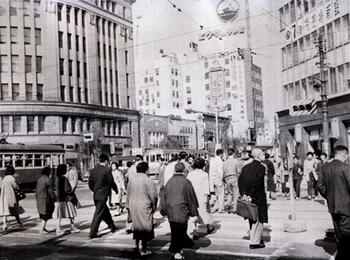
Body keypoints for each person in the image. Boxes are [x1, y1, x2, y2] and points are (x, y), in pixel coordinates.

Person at [160, 162, 199, 260]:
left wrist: (163, 210)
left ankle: (176, 250)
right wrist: (193, 210)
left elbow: (163, 197)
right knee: (180, 230)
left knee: (174, 230)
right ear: (184, 171)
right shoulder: (186, 182)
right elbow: (190, 197)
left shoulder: (169, 181)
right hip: (182, 210)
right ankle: (176, 251)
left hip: (171, 211)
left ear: (174, 170)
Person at [317, 145, 350, 259]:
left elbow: (320, 186)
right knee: (346, 233)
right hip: (346, 206)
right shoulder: (346, 168)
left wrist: (329, 196)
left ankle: (341, 251)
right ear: (344, 154)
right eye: (347, 155)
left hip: (333, 205)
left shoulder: (325, 168)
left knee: (338, 233)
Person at [238, 148, 268, 249]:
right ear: (258, 155)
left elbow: (240, 181)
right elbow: (257, 183)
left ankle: (255, 238)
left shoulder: (246, 167)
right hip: (257, 197)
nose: (264, 156)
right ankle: (255, 242)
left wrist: (244, 194)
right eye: (262, 154)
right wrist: (252, 196)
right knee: (259, 218)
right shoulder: (261, 167)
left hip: (247, 196)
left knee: (251, 218)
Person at [126, 162, 158, 257]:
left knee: (137, 227)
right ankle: (144, 248)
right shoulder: (148, 180)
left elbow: (128, 193)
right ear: (146, 170)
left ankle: (136, 246)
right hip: (144, 206)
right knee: (145, 227)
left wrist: (128, 205)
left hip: (133, 205)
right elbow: (153, 195)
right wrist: (154, 206)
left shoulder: (132, 179)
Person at [88, 154, 118, 239]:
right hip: (103, 195)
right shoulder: (106, 170)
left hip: (96, 194)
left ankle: (111, 225)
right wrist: (115, 189)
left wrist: (94, 190)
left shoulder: (93, 171)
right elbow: (111, 182)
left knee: (104, 211)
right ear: (105, 161)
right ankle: (93, 232)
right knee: (99, 213)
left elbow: (90, 183)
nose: (108, 163)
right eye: (107, 161)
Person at [187, 158, 215, 240]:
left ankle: (194, 231)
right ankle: (208, 227)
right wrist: (207, 196)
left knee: (193, 214)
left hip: (192, 196)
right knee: (205, 212)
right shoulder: (204, 174)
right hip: (201, 196)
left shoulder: (190, 174)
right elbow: (206, 187)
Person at [55, 164, 80, 235]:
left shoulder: (57, 178)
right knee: (71, 213)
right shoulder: (65, 179)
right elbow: (67, 189)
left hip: (60, 199)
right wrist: (71, 191)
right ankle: (72, 227)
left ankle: (58, 228)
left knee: (59, 215)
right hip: (67, 198)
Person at [0, 165, 24, 230]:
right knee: (15, 210)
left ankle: (4, 224)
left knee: (5, 212)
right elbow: (16, 187)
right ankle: (19, 222)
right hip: (11, 196)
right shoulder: (12, 178)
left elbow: (2, 187)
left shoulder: (4, 178)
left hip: (4, 196)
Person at [36, 166, 57, 234]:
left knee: (43, 215)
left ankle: (43, 228)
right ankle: (41, 229)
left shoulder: (40, 179)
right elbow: (50, 191)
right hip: (46, 200)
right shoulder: (48, 180)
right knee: (46, 215)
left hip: (39, 199)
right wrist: (54, 198)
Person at [223, 148, 240, 213]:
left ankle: (228, 205)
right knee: (236, 194)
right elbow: (238, 171)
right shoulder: (236, 161)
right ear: (234, 153)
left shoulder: (224, 162)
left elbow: (223, 171)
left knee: (229, 193)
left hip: (227, 179)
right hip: (234, 178)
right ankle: (234, 209)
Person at [209, 149, 225, 213]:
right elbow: (220, 171)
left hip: (212, 179)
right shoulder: (220, 161)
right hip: (218, 179)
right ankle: (221, 209)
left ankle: (210, 205)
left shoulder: (212, 160)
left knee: (214, 195)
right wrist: (221, 179)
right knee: (221, 194)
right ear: (221, 154)